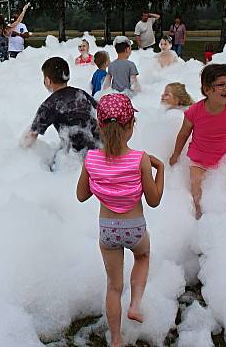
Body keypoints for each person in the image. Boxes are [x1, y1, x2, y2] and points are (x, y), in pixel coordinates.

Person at [76, 93, 165, 347]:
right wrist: (161, 171)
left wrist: (99, 179)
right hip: (134, 227)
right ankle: (135, 304)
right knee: (143, 257)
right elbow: (154, 200)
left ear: (100, 126)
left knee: (113, 287)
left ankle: (116, 339)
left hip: (108, 231)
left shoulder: (91, 159)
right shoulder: (140, 159)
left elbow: (82, 196)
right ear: (130, 126)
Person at [169, 64, 226, 219]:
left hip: (225, 160)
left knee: (225, 195)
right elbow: (183, 134)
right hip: (199, 161)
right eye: (221, 85)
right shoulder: (195, 111)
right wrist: (175, 155)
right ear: (207, 89)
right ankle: (199, 219)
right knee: (197, 196)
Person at [21, 57, 100, 152]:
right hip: (98, 146)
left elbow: (32, 134)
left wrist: (21, 150)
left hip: (75, 154)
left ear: (47, 80)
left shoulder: (50, 104)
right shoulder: (81, 93)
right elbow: (99, 110)